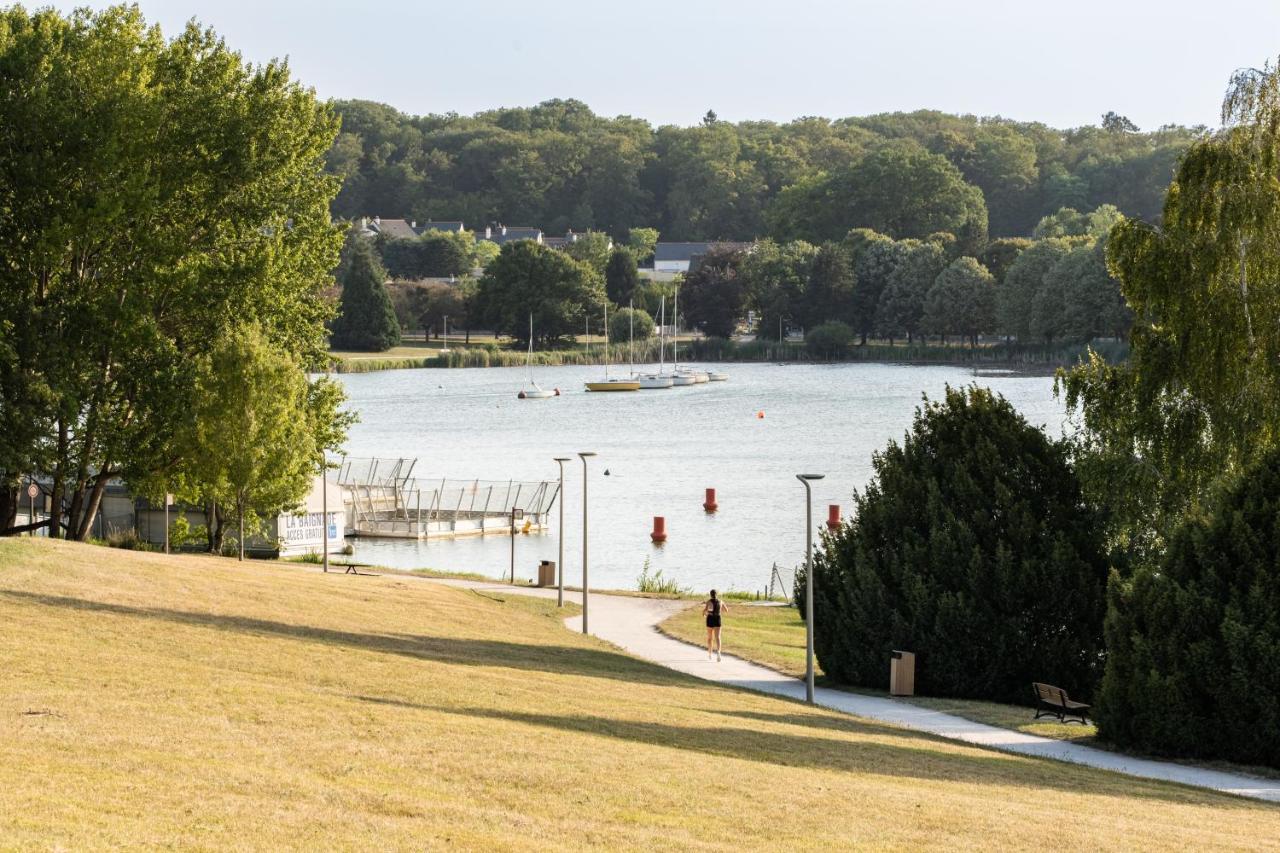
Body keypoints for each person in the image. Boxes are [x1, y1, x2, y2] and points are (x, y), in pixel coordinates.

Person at [703, 589, 728, 661]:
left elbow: (706, 610)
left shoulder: (708, 602)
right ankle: (718, 653)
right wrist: (719, 610)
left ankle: (710, 654)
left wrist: (704, 613)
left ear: (710, 594)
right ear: (717, 594)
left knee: (710, 637)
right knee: (718, 637)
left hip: (710, 619)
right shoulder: (721, 602)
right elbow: (726, 610)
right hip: (717, 619)